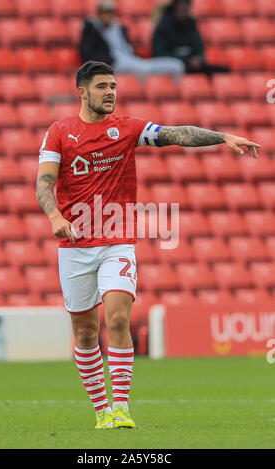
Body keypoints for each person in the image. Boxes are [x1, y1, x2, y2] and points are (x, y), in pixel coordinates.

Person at [36, 60, 260, 430]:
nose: (111, 92)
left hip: (117, 241)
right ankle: (101, 410)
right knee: (86, 332)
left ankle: (121, 408)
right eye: (102, 86)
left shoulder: (127, 129)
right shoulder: (59, 132)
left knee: (120, 318)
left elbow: (174, 134)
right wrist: (55, 217)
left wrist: (222, 137)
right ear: (82, 92)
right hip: (75, 245)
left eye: (113, 86)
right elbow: (44, 182)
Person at [79, 0, 185, 81]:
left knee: (176, 65)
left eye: (110, 12)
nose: (108, 15)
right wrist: (105, 64)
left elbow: (129, 50)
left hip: (132, 61)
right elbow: (87, 53)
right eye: (104, 12)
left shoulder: (118, 28)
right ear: (99, 13)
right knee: (141, 70)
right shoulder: (91, 30)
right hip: (113, 65)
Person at [153, 0, 229, 75]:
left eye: (185, 9)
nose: (182, 12)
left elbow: (199, 48)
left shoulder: (191, 25)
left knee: (222, 71)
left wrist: (199, 59)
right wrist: (184, 60)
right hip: (171, 67)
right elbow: (159, 54)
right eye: (180, 9)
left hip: (192, 66)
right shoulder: (163, 28)